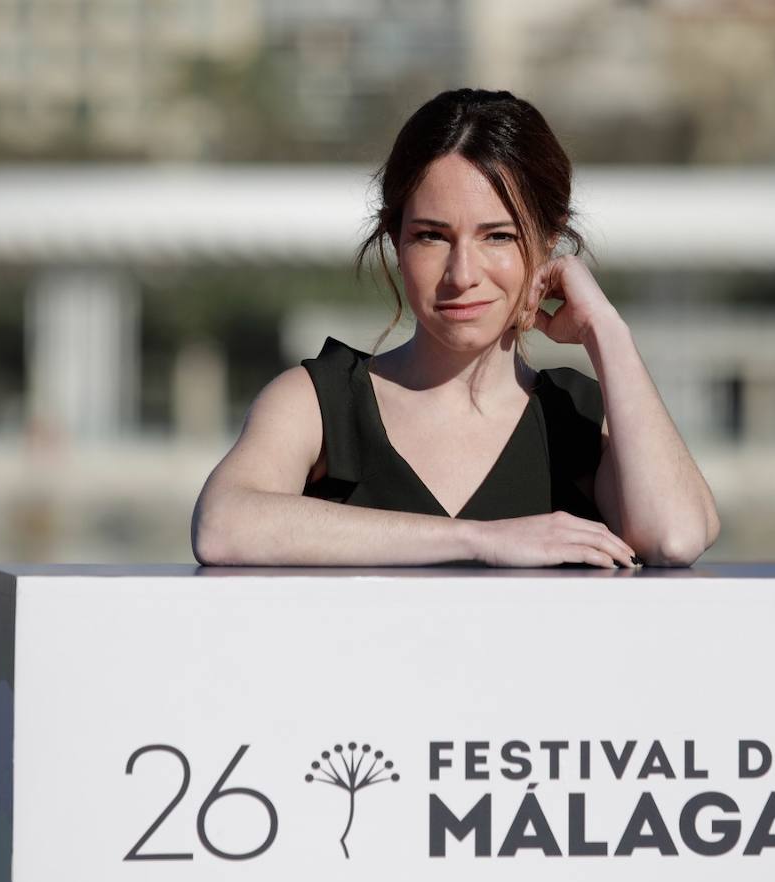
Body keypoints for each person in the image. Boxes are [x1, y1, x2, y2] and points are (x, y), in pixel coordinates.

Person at [192, 88, 719, 568]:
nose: (462, 275)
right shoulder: (320, 402)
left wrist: (608, 331)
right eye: (431, 236)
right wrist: (480, 540)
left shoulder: (579, 420)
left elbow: (675, 536)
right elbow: (223, 525)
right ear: (395, 241)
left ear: (548, 241)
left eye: (497, 237)